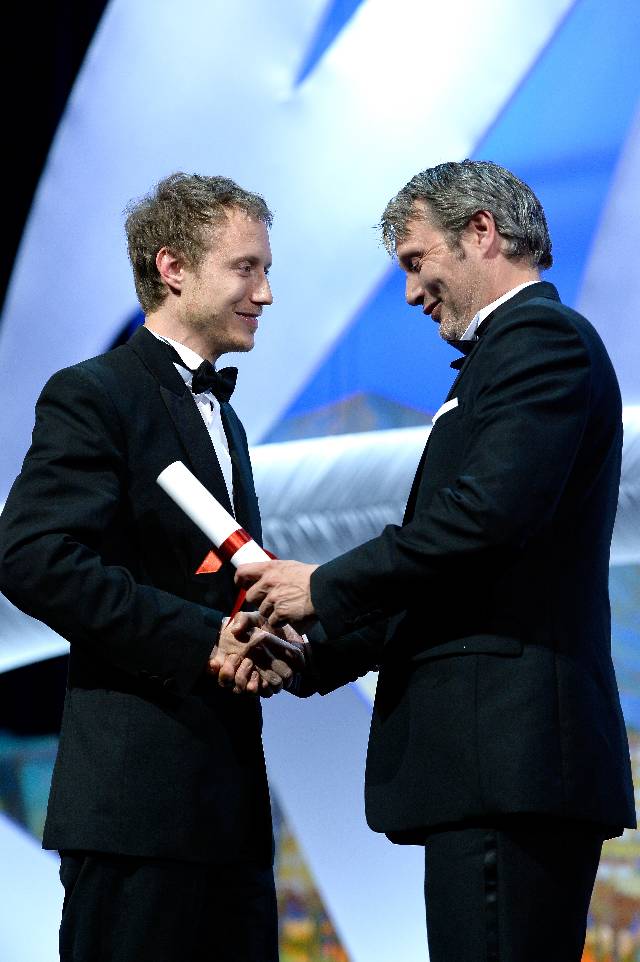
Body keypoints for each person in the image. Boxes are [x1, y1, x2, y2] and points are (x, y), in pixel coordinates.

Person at [233, 160, 637, 962]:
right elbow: (454, 577)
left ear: (481, 231)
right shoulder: (502, 361)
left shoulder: (543, 344)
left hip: (511, 765)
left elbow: (484, 523)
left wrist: (322, 584)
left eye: (418, 262)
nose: (413, 292)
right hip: (494, 770)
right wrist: (308, 656)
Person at [0, 172, 300, 962]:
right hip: (136, 808)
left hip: (228, 812)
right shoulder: (95, 394)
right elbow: (33, 557)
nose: (265, 293)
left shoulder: (223, 419)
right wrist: (203, 640)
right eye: (247, 268)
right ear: (172, 268)